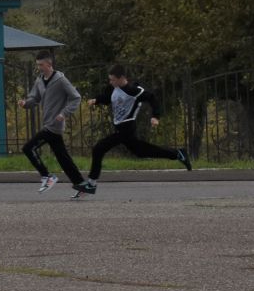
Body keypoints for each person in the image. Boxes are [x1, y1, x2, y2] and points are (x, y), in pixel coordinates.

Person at [79, 63, 192, 193]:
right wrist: (96, 100)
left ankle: (91, 184)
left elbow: (152, 98)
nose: (110, 82)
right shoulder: (113, 88)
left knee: (99, 148)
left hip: (127, 128)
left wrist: (155, 116)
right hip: (121, 129)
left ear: (121, 78)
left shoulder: (133, 91)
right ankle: (178, 154)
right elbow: (107, 98)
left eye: (113, 79)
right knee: (141, 151)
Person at [17, 49, 87, 195]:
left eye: (41, 65)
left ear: (49, 64)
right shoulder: (39, 80)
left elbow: (76, 97)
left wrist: (64, 113)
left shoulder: (60, 80)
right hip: (48, 124)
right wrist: (25, 103)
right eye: (37, 65)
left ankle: (47, 176)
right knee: (63, 157)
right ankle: (81, 185)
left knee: (28, 148)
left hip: (54, 125)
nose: (39, 67)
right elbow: (34, 98)